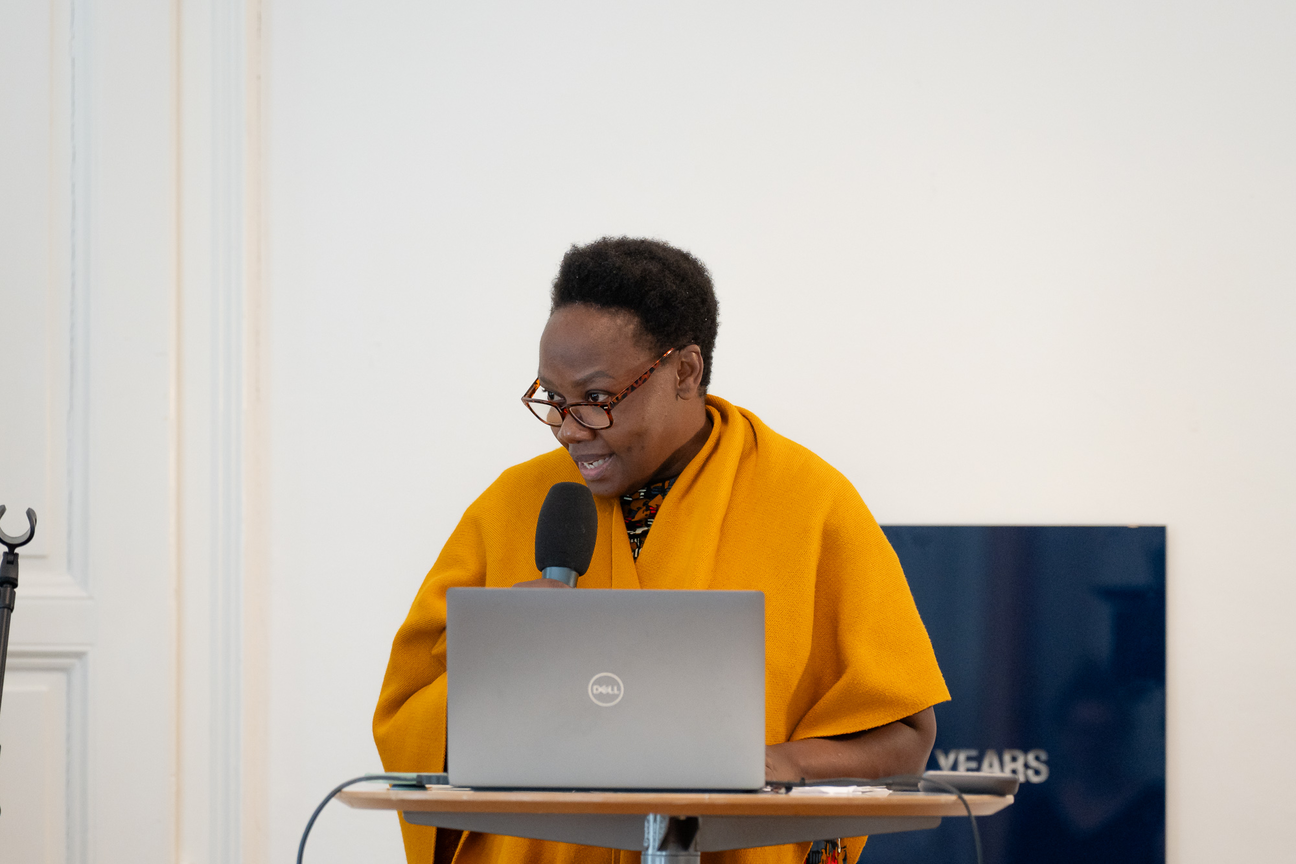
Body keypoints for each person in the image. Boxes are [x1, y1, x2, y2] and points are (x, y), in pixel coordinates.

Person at [374, 237, 950, 864]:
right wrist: (496, 673)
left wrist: (770, 766)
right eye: (553, 400)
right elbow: (407, 722)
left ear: (684, 372)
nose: (569, 429)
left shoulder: (810, 504)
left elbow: (902, 734)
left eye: (597, 400)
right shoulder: (510, 506)